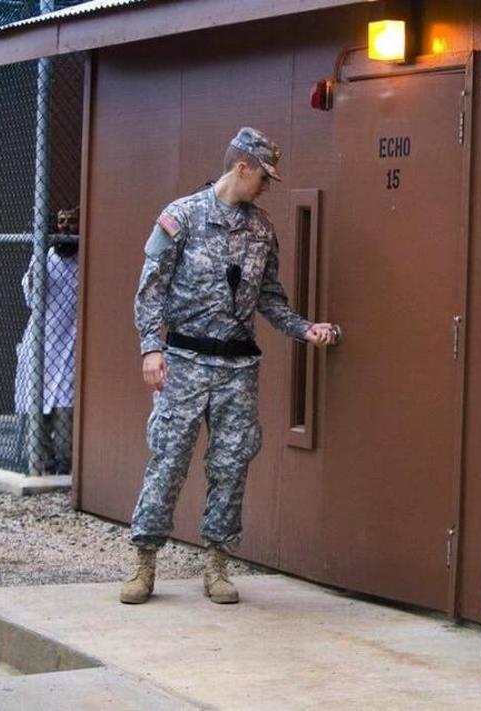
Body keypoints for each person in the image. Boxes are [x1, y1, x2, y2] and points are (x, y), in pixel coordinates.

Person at [121, 127, 337, 605]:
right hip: (182, 362)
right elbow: (150, 288)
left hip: (237, 368)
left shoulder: (261, 229)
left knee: (231, 464)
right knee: (169, 460)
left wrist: (304, 329)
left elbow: (270, 299)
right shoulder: (182, 217)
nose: (267, 186)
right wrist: (150, 349)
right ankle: (144, 563)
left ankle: (217, 566)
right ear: (241, 167)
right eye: (264, 177)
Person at [14, 207, 80, 475]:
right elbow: (31, 298)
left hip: (69, 345)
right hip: (41, 343)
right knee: (35, 409)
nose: (65, 228)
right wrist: (34, 275)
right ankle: (42, 464)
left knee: (65, 417)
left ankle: (66, 467)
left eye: (71, 223)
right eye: (61, 222)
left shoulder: (86, 259)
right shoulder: (46, 258)